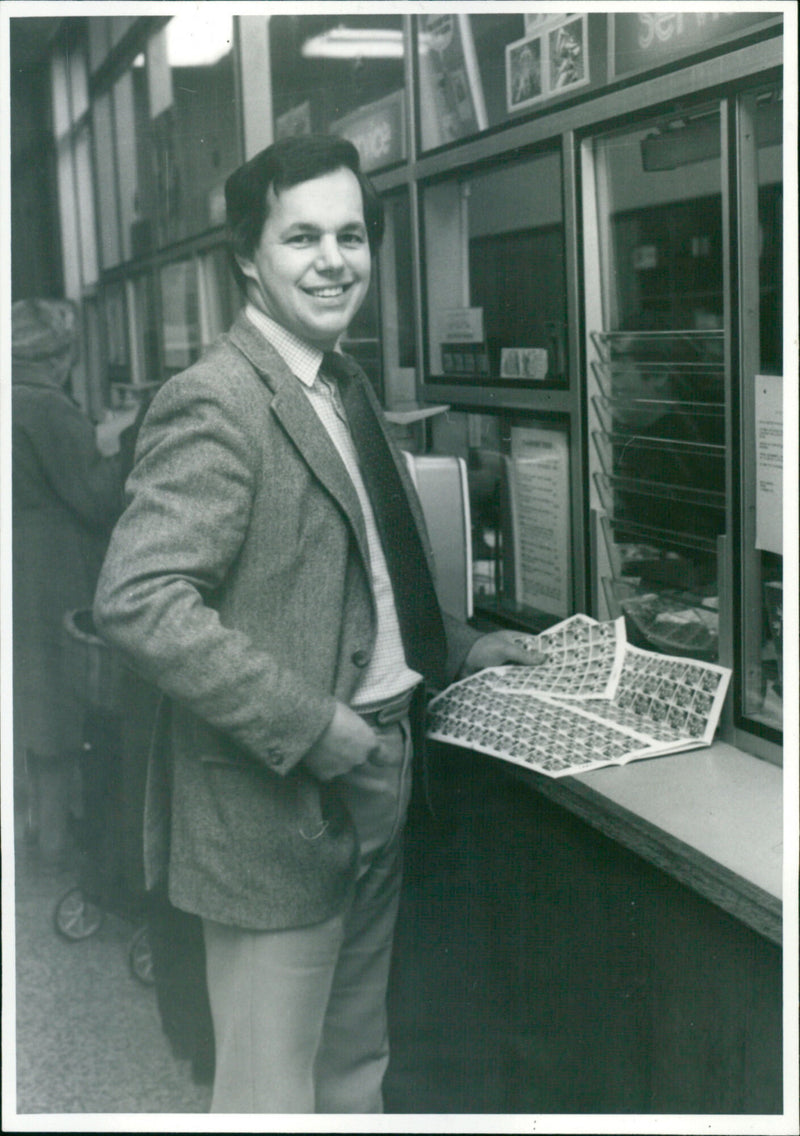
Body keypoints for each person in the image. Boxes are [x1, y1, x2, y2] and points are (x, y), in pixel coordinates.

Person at [93, 134, 541, 1114]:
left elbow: (369, 569)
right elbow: (139, 598)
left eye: (350, 234)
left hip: (380, 773)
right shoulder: (215, 400)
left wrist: (461, 645)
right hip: (275, 806)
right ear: (248, 255)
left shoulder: (343, 382)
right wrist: (314, 726)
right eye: (302, 237)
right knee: (269, 1093)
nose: (334, 259)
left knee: (352, 1064)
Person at [11, 298, 127, 868]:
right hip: (53, 572)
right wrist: (126, 448)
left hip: (19, 566)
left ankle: (40, 830)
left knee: (33, 705)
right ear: (59, 355)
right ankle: (58, 847)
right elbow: (98, 498)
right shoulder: (45, 406)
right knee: (61, 707)